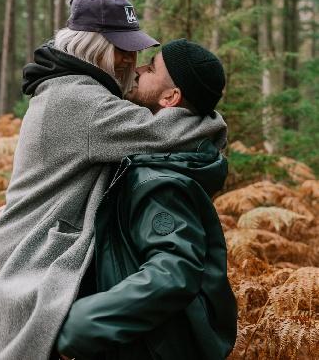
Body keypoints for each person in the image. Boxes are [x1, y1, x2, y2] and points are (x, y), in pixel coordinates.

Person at [0, 0, 228, 360]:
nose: (132, 59)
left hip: (30, 256)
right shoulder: (80, 101)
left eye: (135, 48)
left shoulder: (66, 88)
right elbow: (164, 132)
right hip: (33, 270)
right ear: (92, 46)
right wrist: (212, 119)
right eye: (121, 47)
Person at [56, 39, 238, 360]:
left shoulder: (160, 179)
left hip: (147, 348)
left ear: (171, 97)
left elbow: (174, 270)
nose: (139, 69)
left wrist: (82, 323)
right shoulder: (159, 159)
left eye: (151, 68)